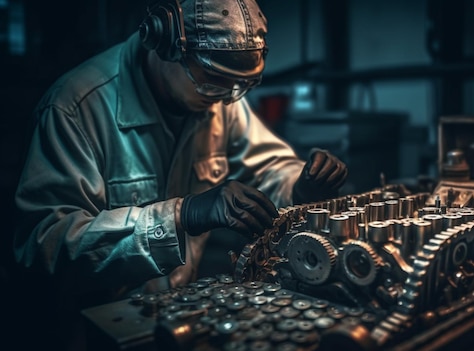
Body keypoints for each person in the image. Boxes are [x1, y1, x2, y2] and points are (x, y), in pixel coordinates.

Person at [11, 0, 347, 348]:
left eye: (240, 87)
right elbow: (44, 246)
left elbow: (268, 166)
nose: (227, 99)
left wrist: (300, 184)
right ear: (163, 42)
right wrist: (182, 215)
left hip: (174, 314)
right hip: (93, 328)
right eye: (214, 82)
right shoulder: (75, 108)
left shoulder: (217, 95)